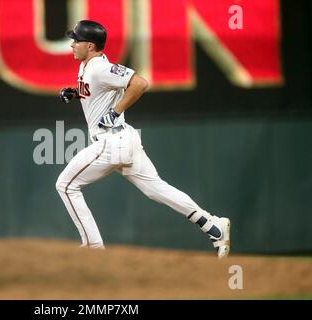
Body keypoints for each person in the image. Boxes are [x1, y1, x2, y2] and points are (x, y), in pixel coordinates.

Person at [56, 20, 231, 258]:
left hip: (110, 142)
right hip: (125, 139)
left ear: (89, 45)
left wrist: (115, 111)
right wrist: (75, 93)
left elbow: (140, 84)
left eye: (76, 41)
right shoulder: (89, 66)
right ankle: (213, 225)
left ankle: (93, 249)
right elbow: (98, 90)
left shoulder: (98, 67)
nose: (72, 45)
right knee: (156, 189)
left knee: (66, 185)